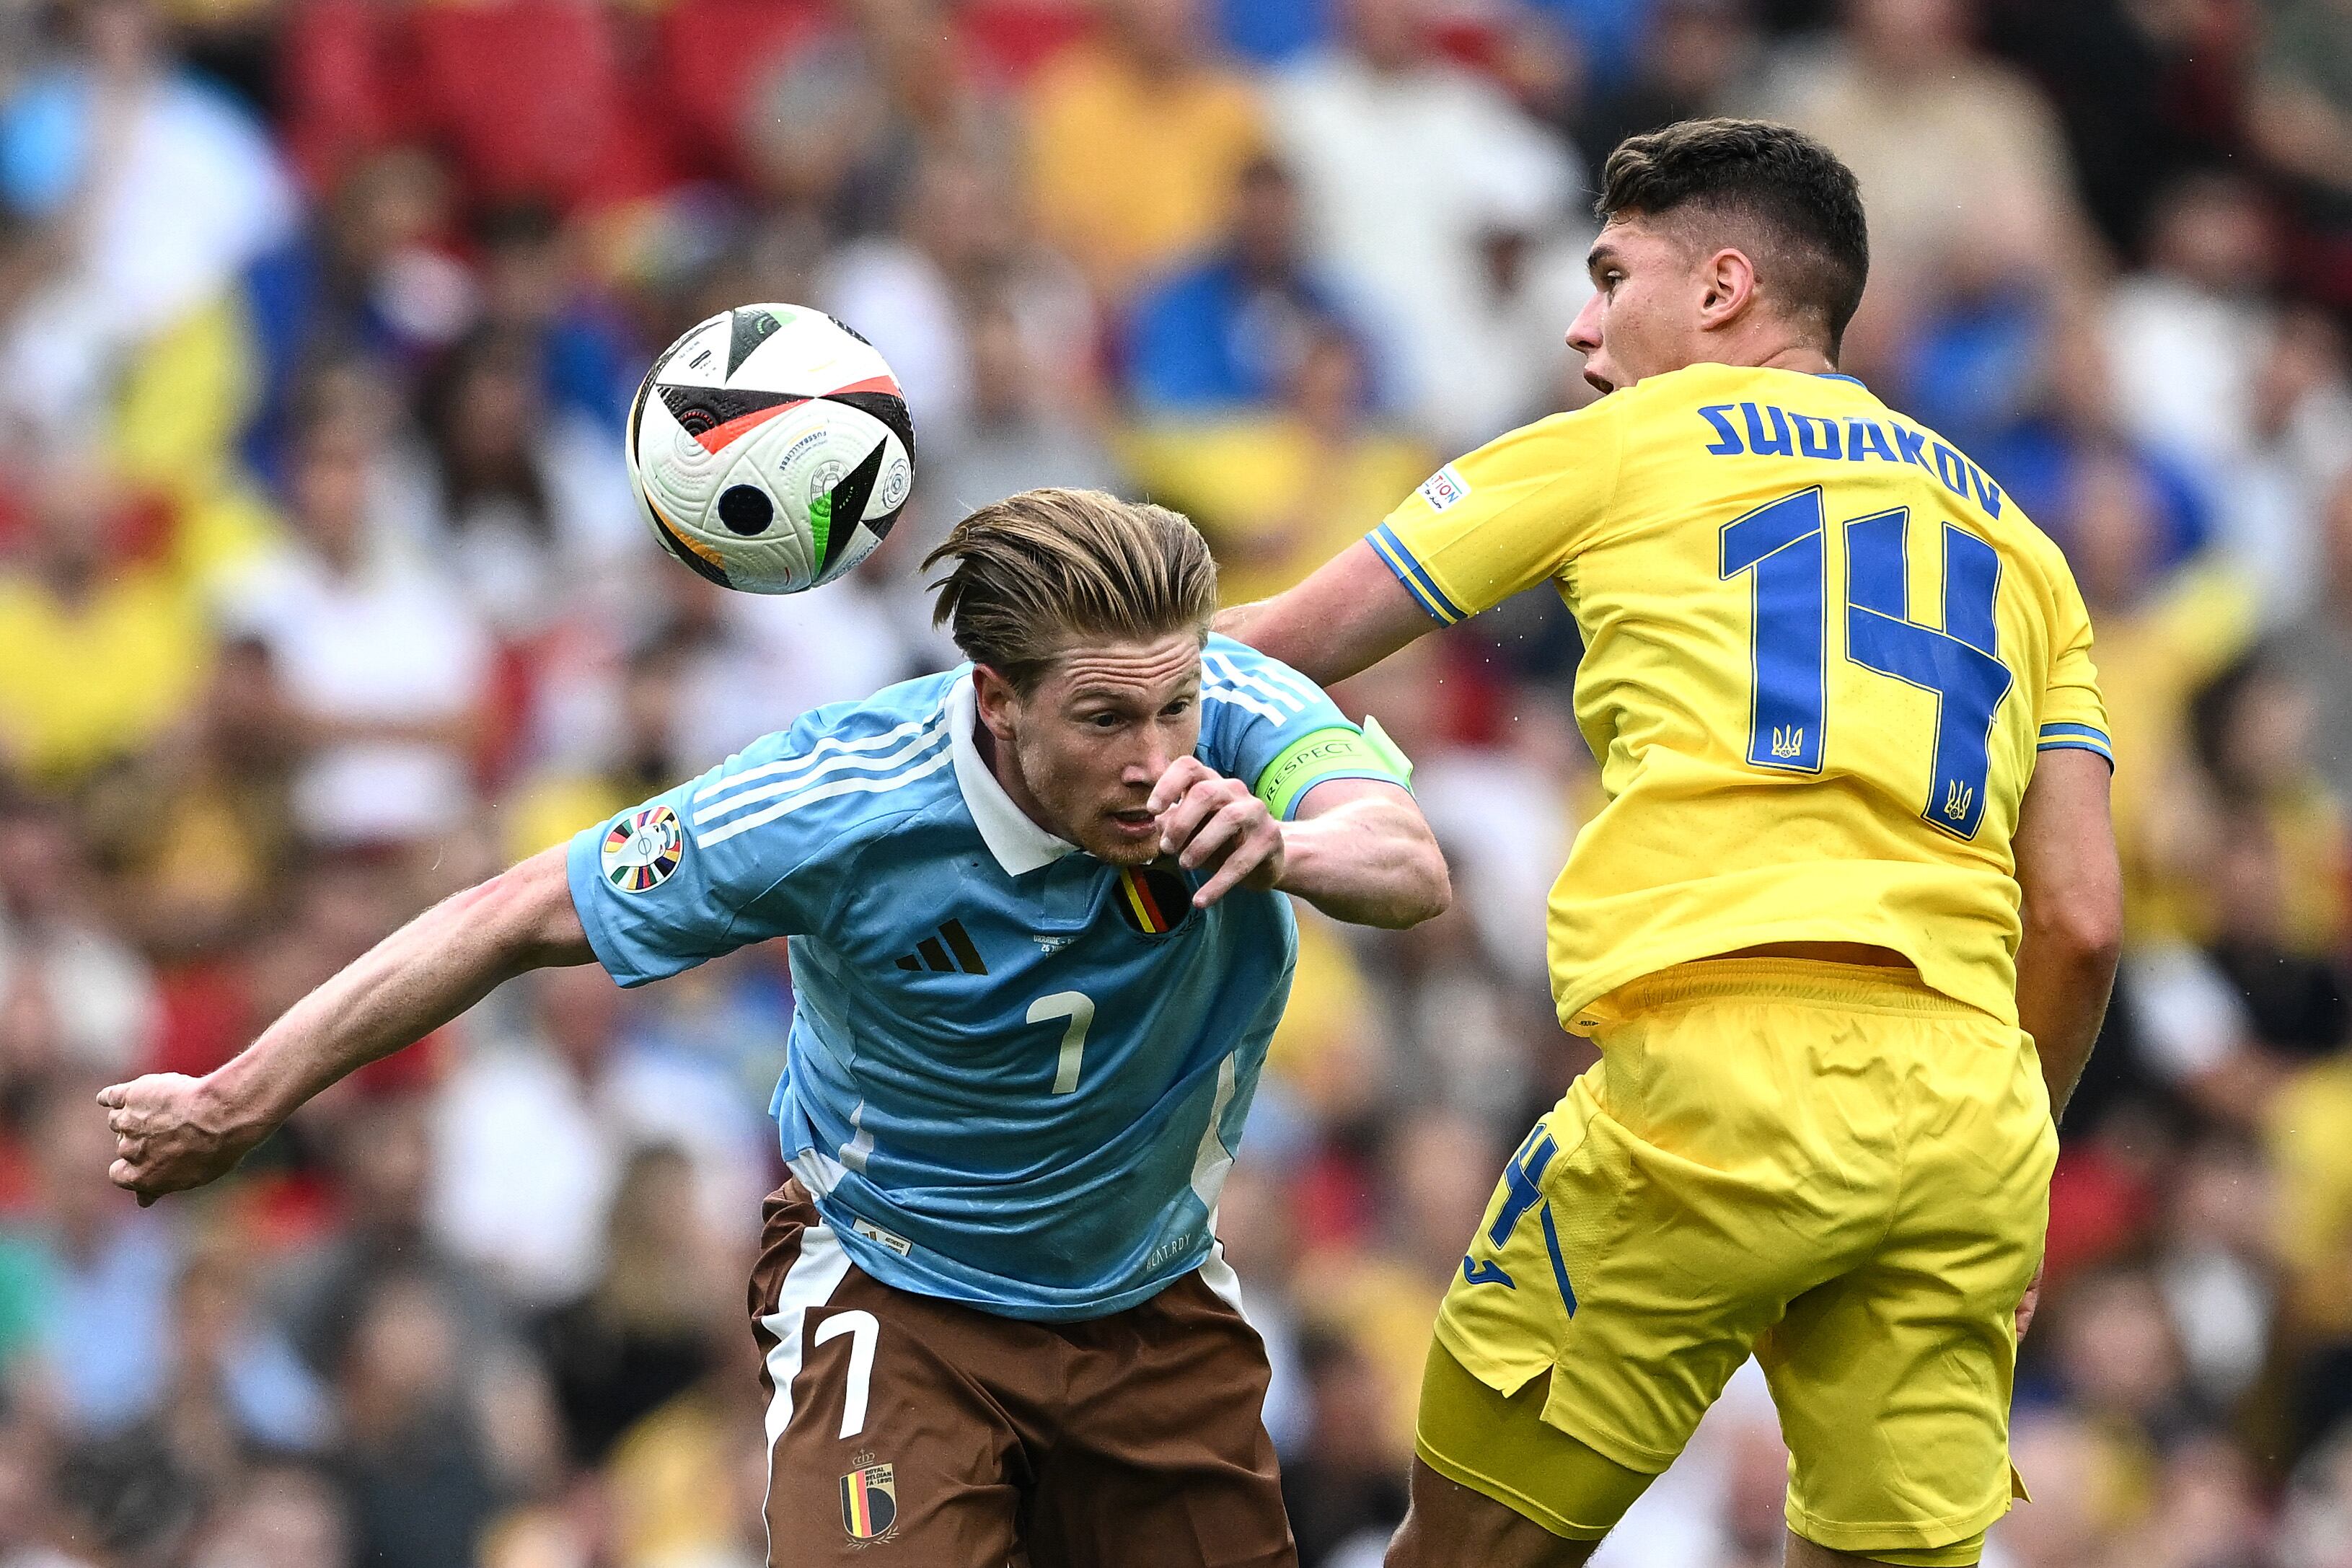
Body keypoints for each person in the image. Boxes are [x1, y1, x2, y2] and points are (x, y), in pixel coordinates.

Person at [95, 486, 1450, 1567]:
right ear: (995, 696)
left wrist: (1288, 847)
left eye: (1170, 704)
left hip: (1147, 1296)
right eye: (1104, 717)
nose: (1157, 755)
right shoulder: (831, 802)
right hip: (898, 1287)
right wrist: (237, 1098)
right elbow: (511, 913)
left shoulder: (1236, 710)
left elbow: (1404, 861)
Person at [1218, 120, 2124, 1568]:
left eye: (1607, 274)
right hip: (1970, 1122)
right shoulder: (2024, 549)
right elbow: (2077, 918)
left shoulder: (1628, 438)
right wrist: (2013, 1179)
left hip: (1718, 1083)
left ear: (1717, 291)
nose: (1580, 326)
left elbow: (1266, 653)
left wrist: (973, 707)